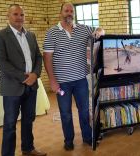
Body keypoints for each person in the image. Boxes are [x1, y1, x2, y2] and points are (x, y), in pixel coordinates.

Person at [43, 2, 105, 151]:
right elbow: (47, 58)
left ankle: (87, 137)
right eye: (66, 10)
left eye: (71, 11)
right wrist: (52, 81)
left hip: (80, 81)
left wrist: (99, 32)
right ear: (61, 13)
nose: (69, 13)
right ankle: (69, 140)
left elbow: (100, 29)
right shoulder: (52, 33)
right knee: (65, 113)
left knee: (84, 111)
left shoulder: (83, 29)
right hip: (61, 83)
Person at [0, 4, 46, 156]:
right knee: (10, 124)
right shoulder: (0, 36)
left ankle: (28, 149)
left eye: (22, 15)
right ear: (8, 16)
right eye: (15, 14)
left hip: (32, 86)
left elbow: (38, 57)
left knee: (29, 120)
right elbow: (2, 63)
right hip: (12, 88)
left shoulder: (31, 35)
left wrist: (35, 74)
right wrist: (25, 78)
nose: (19, 18)